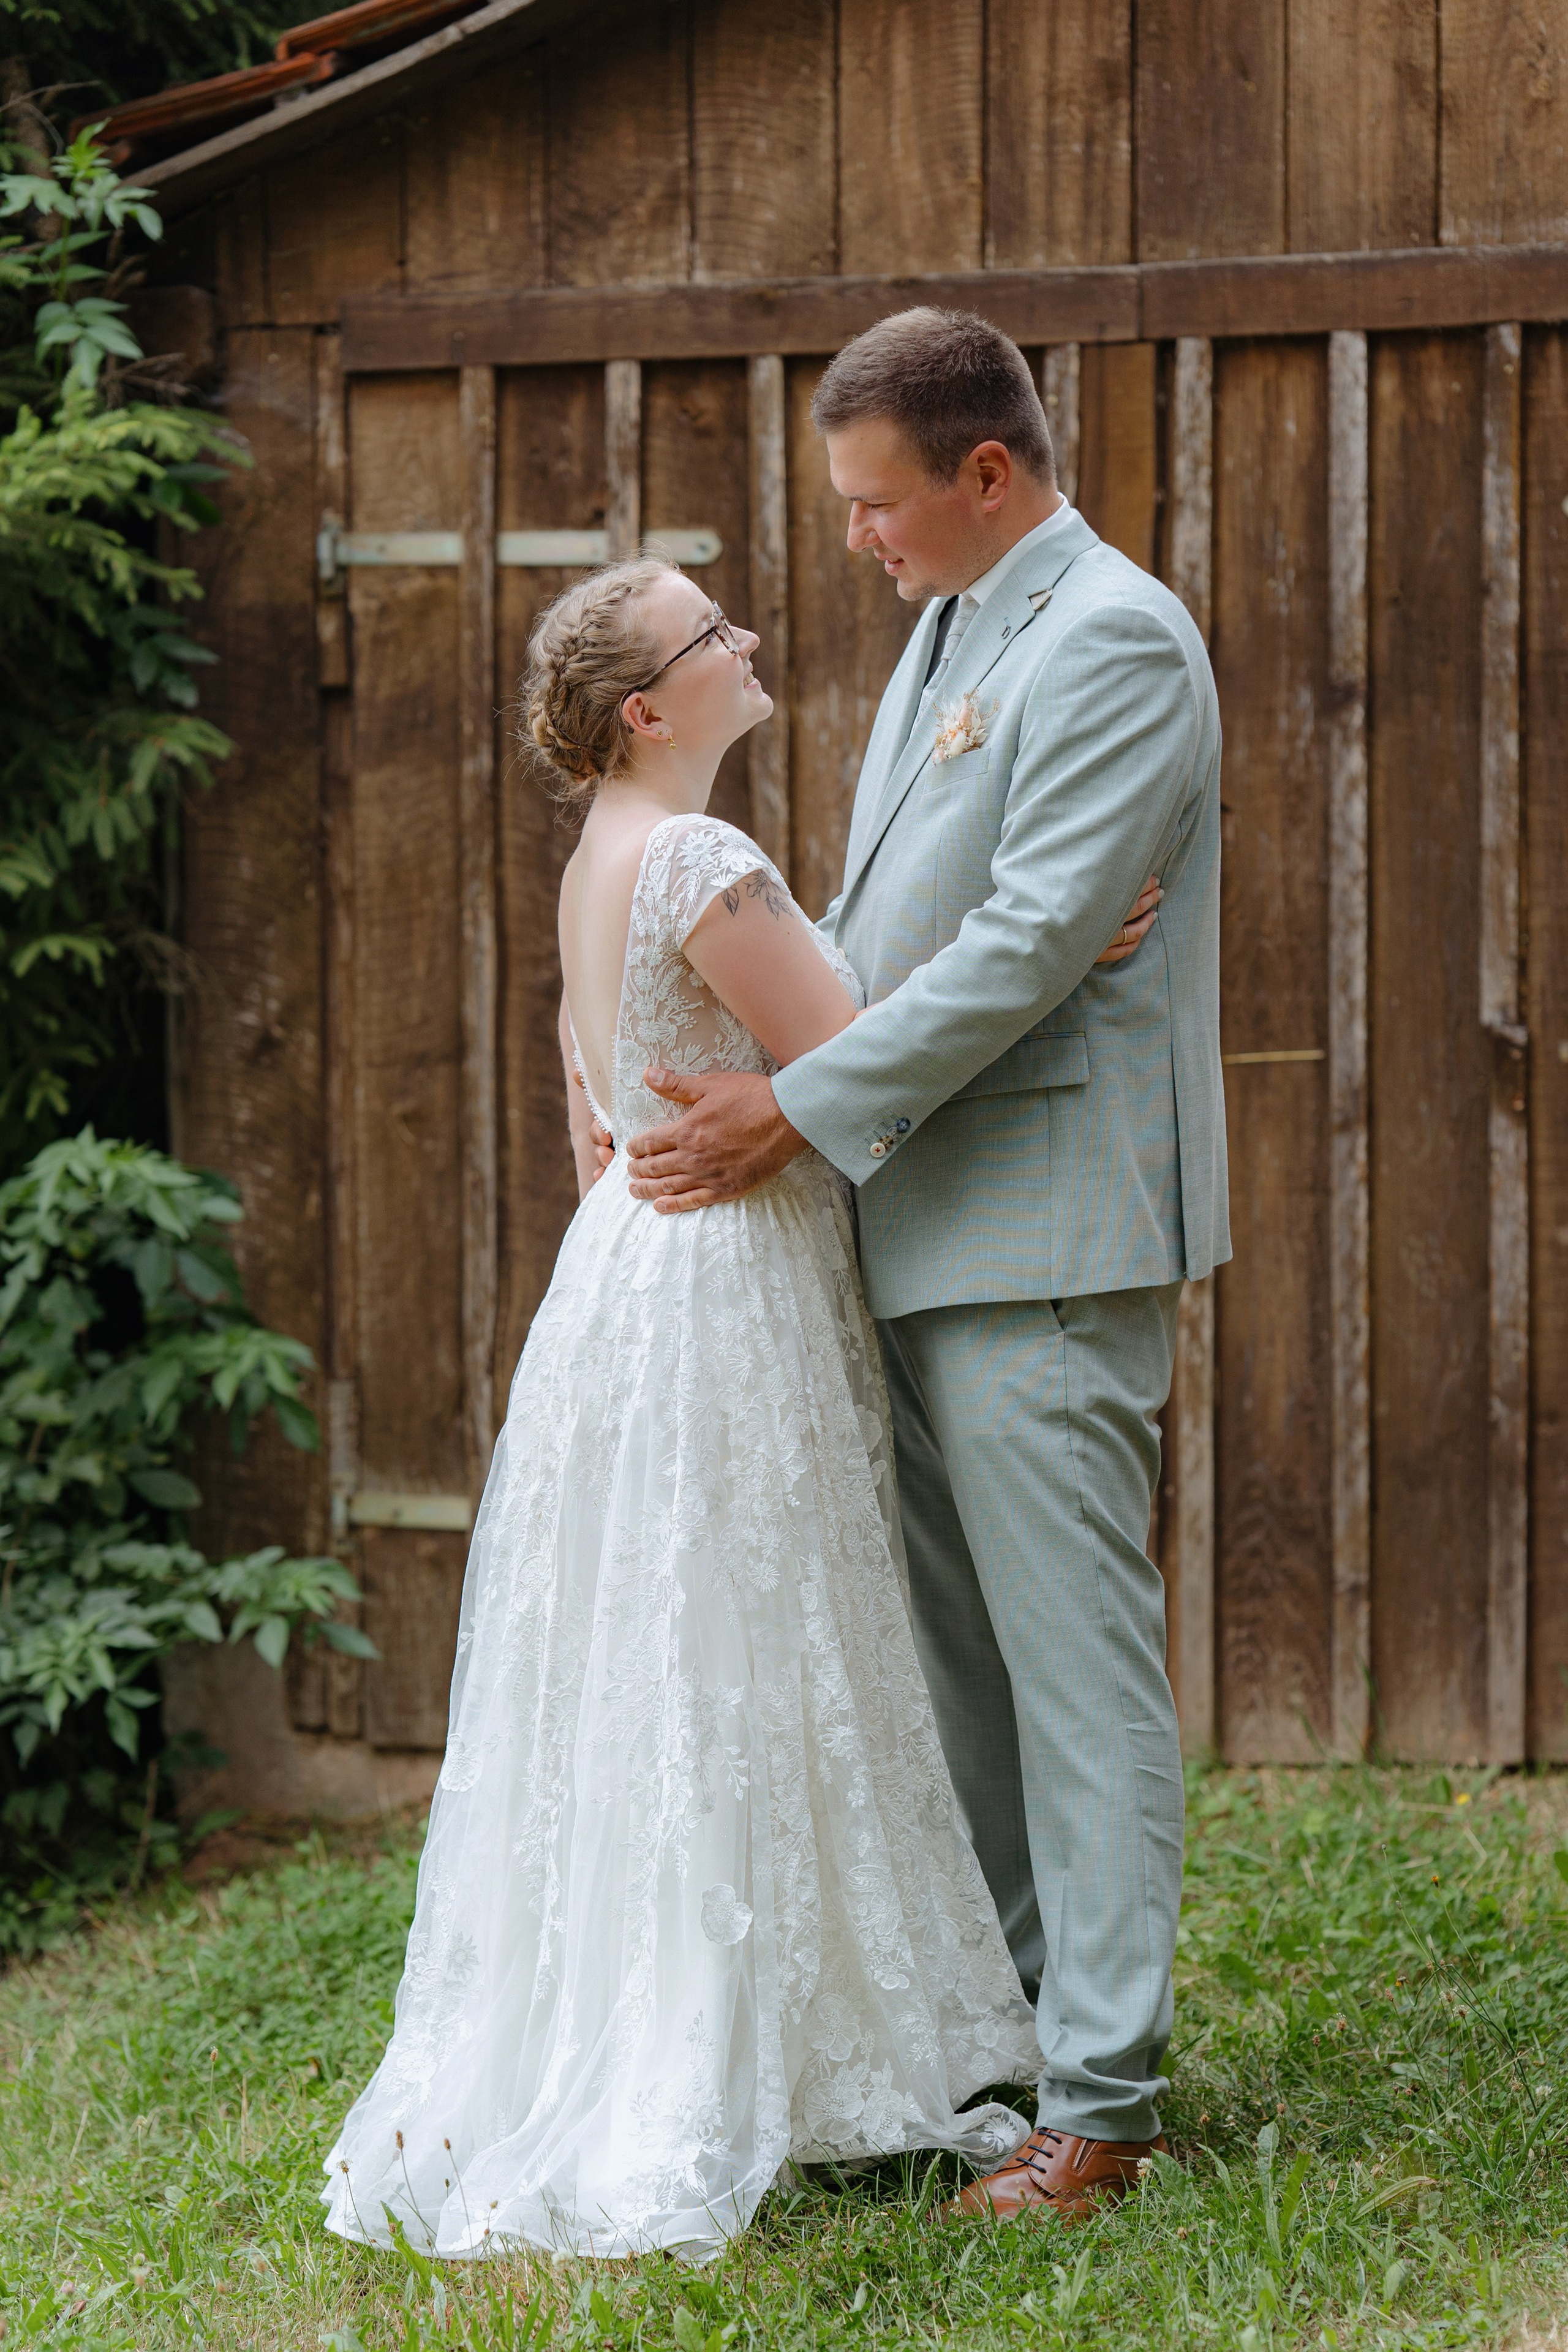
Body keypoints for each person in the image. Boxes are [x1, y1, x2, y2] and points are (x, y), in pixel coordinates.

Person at [320, 554, 1154, 2262]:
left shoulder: (595, 860)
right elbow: (866, 1052)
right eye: (714, 633)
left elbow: (597, 1122)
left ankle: (706, 2024)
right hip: (728, 1288)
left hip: (628, 1275)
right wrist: (1064, 944)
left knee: (670, 1660)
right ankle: (737, 2052)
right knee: (748, 1651)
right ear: (649, 707)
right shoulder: (700, 855)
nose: (747, 638)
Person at [621, 307, 1228, 2224]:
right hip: (924, 1213)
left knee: (1077, 1671)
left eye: (881, 504)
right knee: (967, 1673)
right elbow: (931, 920)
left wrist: (795, 1105)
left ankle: (1106, 2107)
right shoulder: (949, 628)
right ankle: (1020, 2038)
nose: (859, 540)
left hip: (1046, 1223)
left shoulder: (1115, 637)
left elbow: (1039, 928)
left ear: (987, 472)